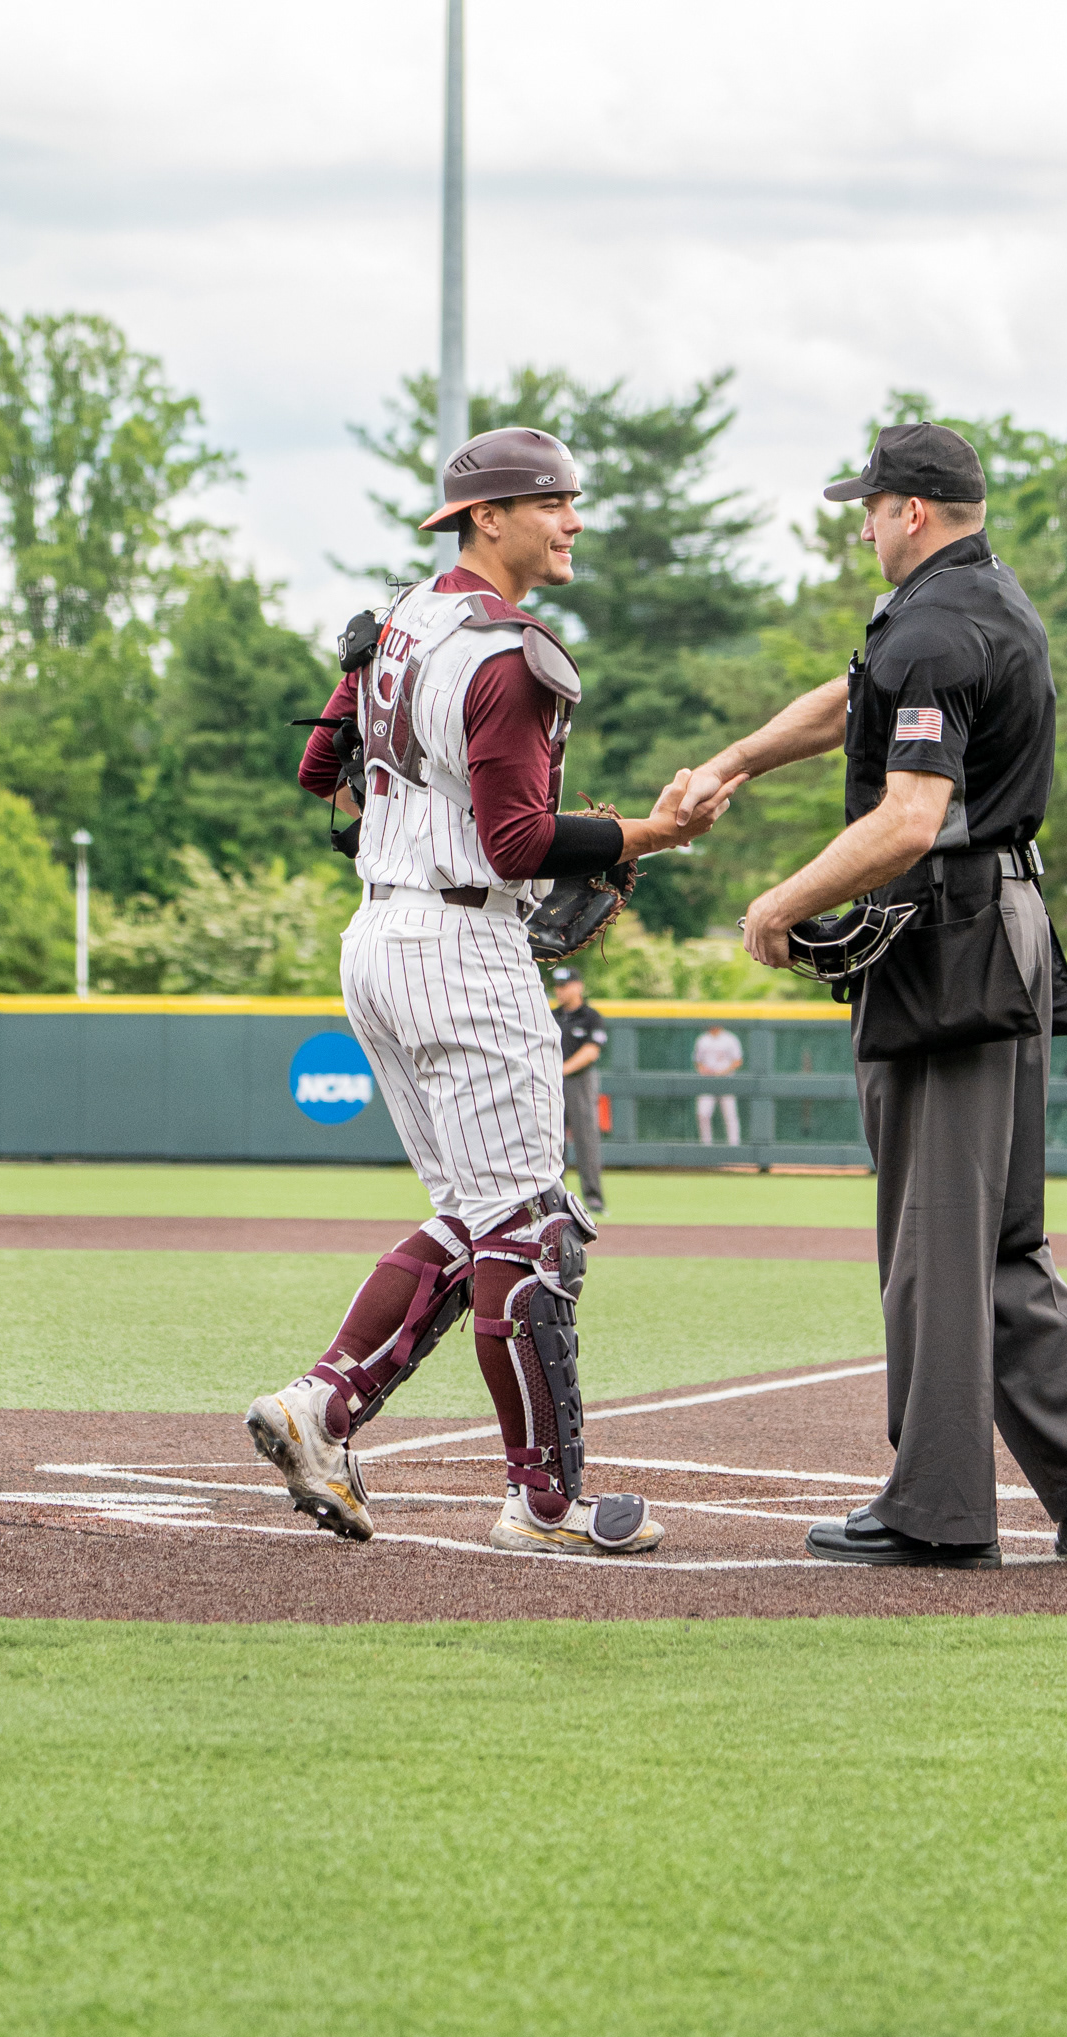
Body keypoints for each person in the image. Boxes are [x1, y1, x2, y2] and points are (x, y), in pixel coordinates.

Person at [675, 420, 1067, 1569]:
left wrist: (777, 905)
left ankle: (936, 1508)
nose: (859, 520)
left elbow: (905, 820)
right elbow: (847, 694)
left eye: (869, 503)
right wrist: (735, 763)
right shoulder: (983, 600)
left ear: (911, 510)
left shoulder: (935, 625)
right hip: (1007, 923)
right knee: (999, 1235)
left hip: (947, 938)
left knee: (934, 1239)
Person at [245, 426, 736, 1555]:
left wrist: (394, 765)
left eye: (571, 499)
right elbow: (516, 841)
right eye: (552, 502)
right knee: (535, 1231)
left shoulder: (399, 621)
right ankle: (548, 1500)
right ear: (488, 518)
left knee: (480, 1221)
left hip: (377, 934)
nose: (571, 520)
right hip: (463, 943)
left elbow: (322, 772)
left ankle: (320, 1409)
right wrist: (651, 832)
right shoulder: (510, 651)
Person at [551, 966, 607, 1212]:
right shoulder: (550, 1016)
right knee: (552, 1142)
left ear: (579, 986)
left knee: (586, 1140)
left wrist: (562, 1069)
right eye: (558, 986)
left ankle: (593, 1197)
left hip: (579, 1081)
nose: (561, 990)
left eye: (566, 985)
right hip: (552, 1083)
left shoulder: (591, 1016)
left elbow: (591, 1051)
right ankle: (554, 1198)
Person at [693, 1024, 743, 1145]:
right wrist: (703, 1070)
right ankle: (706, 1146)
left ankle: (734, 1146)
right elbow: (697, 1062)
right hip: (708, 1081)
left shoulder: (730, 1038)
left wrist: (722, 1072)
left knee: (730, 1114)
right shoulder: (703, 1039)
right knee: (703, 1113)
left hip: (726, 1080)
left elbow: (737, 1061)